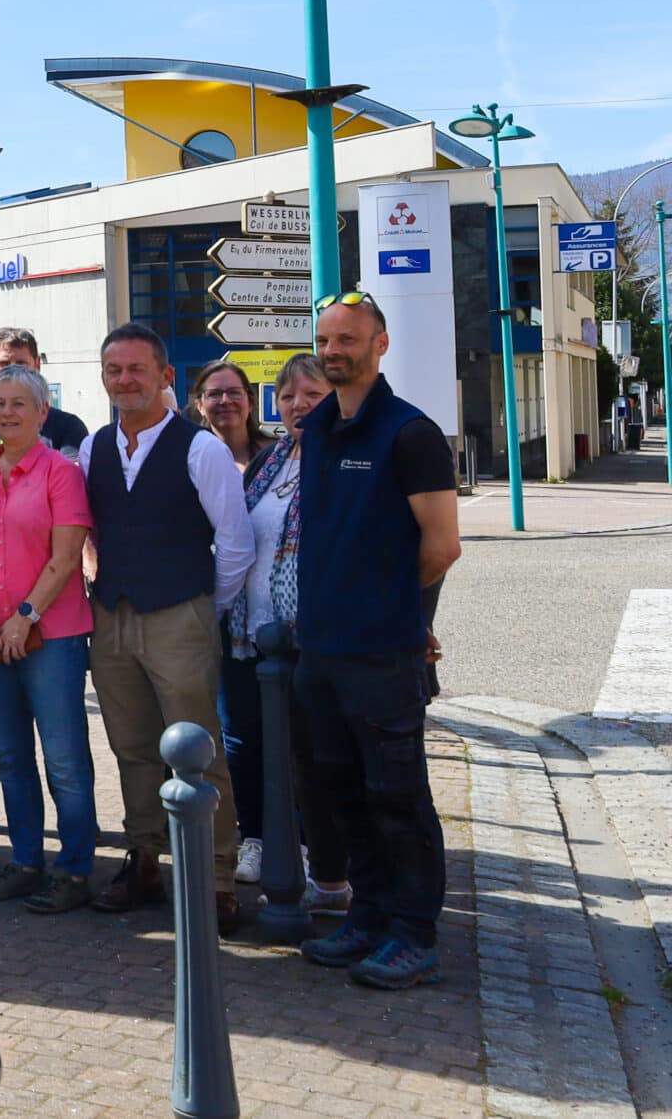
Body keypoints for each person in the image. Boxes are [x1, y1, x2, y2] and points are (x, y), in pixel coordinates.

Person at [295, 295, 461, 989]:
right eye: (326, 339)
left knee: (397, 796)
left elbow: (443, 545)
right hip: (321, 653)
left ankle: (413, 932)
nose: (336, 350)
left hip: (381, 654)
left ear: (380, 343)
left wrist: (392, 607)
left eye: (349, 339)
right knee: (341, 791)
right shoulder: (318, 427)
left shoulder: (410, 432)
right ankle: (367, 916)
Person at [79, 323, 254, 932]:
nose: (124, 380)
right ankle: (145, 858)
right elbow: (93, 532)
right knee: (130, 747)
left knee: (198, 749)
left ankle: (216, 877)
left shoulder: (199, 448)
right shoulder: (93, 447)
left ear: (165, 377)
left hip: (180, 612)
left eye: (135, 370)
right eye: (113, 371)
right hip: (112, 616)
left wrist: (207, 608)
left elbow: (234, 543)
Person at [0, 364, 97, 913]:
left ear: (42, 412)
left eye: (18, 404)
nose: (6, 412)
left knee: (64, 759)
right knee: (10, 757)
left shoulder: (60, 472)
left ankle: (75, 870)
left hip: (50, 637)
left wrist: (25, 615)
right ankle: (26, 861)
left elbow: (65, 556)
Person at [229, 353, 353, 914]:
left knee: (311, 756)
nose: (299, 404)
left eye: (312, 393)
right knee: (251, 746)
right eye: (287, 396)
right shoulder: (268, 463)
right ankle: (257, 839)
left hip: (313, 637)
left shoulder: (345, 460)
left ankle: (318, 859)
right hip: (250, 635)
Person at [0, 328, 89, 453]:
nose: (13, 371)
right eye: (4, 364)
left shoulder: (67, 427)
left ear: (37, 364)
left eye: (20, 363)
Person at [190, 360, 268, 474]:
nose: (226, 400)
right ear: (200, 406)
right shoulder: (189, 459)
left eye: (234, 392)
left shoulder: (277, 453)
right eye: (214, 394)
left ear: (250, 402)